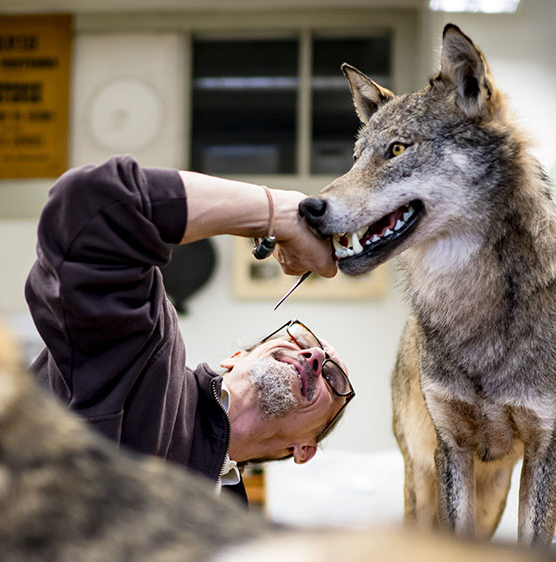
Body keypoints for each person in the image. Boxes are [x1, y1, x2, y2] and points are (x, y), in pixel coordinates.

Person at [26, 156, 353, 504]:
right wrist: (278, 213)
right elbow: (93, 207)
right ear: (235, 358)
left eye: (332, 378)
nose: (313, 355)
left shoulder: (230, 525)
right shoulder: (147, 356)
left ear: (303, 449)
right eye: (298, 340)